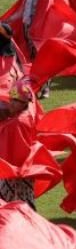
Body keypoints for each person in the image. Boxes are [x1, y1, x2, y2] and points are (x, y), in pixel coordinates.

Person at [0, 78, 36, 208]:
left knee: (21, 203)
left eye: (16, 101)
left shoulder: (18, 123)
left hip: (16, 172)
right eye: (11, 99)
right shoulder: (27, 113)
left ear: (24, 102)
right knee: (24, 202)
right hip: (21, 170)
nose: (11, 103)